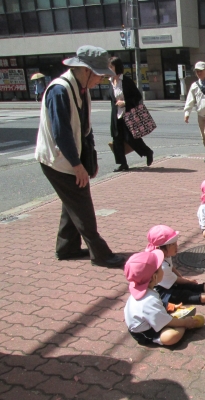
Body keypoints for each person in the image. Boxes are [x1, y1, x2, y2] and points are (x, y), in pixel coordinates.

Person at [35, 45, 124, 268]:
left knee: (72, 202)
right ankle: (101, 254)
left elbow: (85, 128)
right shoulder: (60, 90)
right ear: (86, 70)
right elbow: (61, 133)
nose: (101, 81)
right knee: (81, 202)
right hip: (57, 160)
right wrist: (77, 165)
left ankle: (67, 248)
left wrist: (88, 159)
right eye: (100, 75)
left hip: (69, 157)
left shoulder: (81, 89)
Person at [123, 250, 205, 346]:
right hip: (146, 333)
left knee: (170, 318)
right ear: (154, 277)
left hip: (151, 320)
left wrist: (171, 306)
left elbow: (155, 306)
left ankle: (179, 320)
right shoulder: (148, 300)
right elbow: (164, 321)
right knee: (172, 336)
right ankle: (183, 323)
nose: (162, 269)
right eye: (160, 268)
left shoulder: (144, 291)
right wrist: (184, 323)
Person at [146, 225, 205, 304]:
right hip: (161, 292)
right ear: (161, 248)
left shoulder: (164, 255)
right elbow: (176, 279)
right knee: (185, 295)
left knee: (189, 286)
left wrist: (183, 278)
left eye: (176, 243)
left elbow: (172, 268)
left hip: (169, 283)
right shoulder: (162, 266)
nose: (176, 246)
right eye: (173, 245)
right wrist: (187, 280)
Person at [108, 56, 154, 172]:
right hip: (116, 114)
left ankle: (147, 152)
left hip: (128, 114)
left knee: (131, 138)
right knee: (116, 139)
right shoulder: (110, 81)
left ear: (117, 67)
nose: (109, 69)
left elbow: (137, 96)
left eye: (111, 67)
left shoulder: (126, 81)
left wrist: (125, 102)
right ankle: (122, 163)